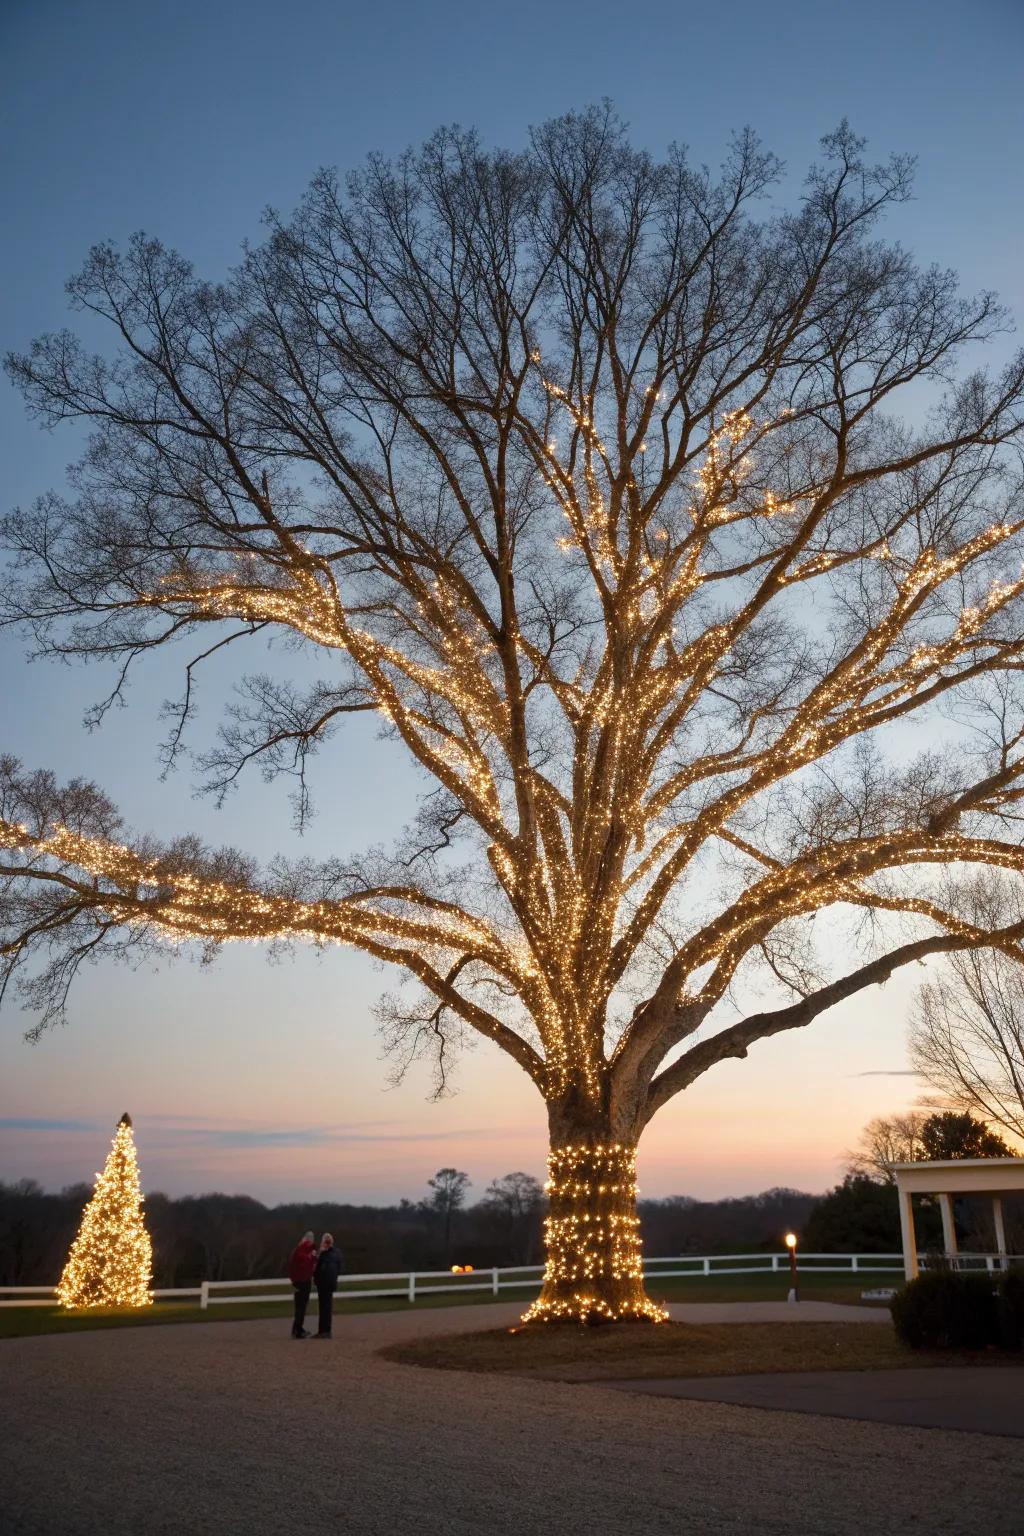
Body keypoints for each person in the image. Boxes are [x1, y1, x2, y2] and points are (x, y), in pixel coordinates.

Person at [287, 1230, 317, 1338]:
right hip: (303, 1281)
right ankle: (297, 1330)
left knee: (300, 1306)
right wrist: (313, 1258)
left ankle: (297, 1328)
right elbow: (306, 1264)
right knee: (301, 1306)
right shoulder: (304, 1250)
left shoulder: (298, 1250)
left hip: (298, 1281)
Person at [313, 1232, 343, 1339]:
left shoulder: (324, 1254)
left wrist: (320, 1252)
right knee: (327, 1307)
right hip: (331, 1283)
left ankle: (323, 1331)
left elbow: (316, 1267)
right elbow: (339, 1269)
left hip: (324, 1283)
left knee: (323, 1307)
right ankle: (326, 1330)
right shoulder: (337, 1253)